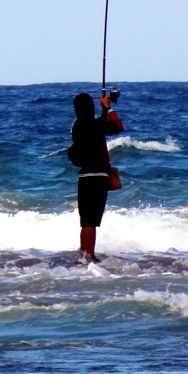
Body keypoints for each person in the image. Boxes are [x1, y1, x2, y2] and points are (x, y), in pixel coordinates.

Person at [68, 92, 124, 262]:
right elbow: (117, 127)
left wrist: (102, 116)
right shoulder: (96, 124)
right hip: (99, 176)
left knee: (85, 220)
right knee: (92, 220)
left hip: (84, 176)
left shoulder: (76, 125)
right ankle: (90, 256)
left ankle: (83, 252)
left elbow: (93, 129)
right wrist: (107, 108)